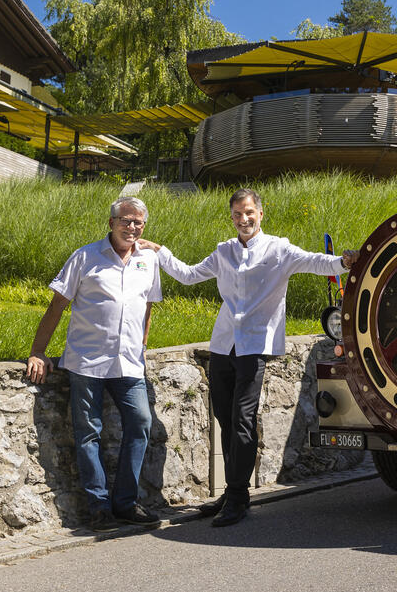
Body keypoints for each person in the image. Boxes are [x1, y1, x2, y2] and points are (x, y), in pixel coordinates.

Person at [137, 187, 358, 527]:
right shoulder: (224, 251)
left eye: (249, 213)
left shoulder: (279, 249)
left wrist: (343, 262)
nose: (244, 219)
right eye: (238, 214)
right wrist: (159, 251)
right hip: (225, 344)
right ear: (231, 216)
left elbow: (317, 262)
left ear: (260, 213)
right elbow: (188, 275)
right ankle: (231, 492)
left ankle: (239, 497)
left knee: (242, 418)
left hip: (255, 345)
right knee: (226, 418)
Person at [26, 196, 162, 533]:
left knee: (141, 424)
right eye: (126, 221)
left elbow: (147, 307)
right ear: (112, 222)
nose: (132, 227)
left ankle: (126, 502)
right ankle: (99, 507)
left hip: (129, 363)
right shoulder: (85, 257)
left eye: (138, 223)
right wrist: (37, 351)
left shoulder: (148, 261)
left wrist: (142, 347)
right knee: (89, 434)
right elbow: (57, 306)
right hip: (87, 361)